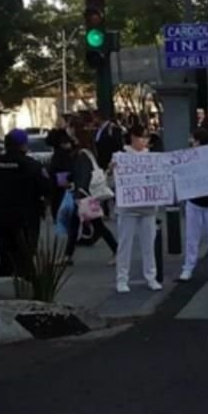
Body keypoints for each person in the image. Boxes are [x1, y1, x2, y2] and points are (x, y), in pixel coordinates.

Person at [0, 129, 48, 280]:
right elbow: (45, 187)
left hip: (0, 215)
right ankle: (27, 292)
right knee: (25, 257)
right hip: (26, 216)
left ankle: (3, 290)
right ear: (23, 145)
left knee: (5, 257)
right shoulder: (31, 164)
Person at [112, 125, 163, 293]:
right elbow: (111, 183)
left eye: (147, 138)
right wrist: (111, 171)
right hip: (127, 209)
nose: (144, 141)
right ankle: (122, 279)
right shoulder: (120, 157)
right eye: (142, 137)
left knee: (149, 245)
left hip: (147, 208)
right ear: (133, 138)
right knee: (125, 245)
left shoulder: (152, 158)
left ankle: (151, 277)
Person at [179, 129, 208, 282]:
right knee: (192, 237)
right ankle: (188, 267)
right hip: (194, 201)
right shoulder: (188, 157)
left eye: (193, 139)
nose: (191, 142)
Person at [64, 132, 118, 265]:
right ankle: (67, 255)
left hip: (84, 196)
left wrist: (79, 193)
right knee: (76, 224)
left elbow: (83, 175)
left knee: (97, 225)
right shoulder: (87, 154)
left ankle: (117, 250)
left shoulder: (82, 155)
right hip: (85, 195)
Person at [48, 130, 76, 221]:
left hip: (57, 194)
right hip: (64, 195)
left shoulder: (56, 155)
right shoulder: (62, 155)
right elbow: (62, 177)